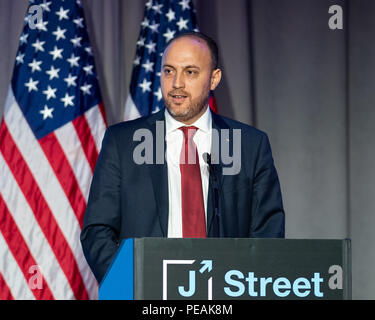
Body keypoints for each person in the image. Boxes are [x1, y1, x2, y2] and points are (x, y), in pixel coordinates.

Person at [80, 32, 285, 283]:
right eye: (168, 71)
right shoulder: (122, 142)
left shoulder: (250, 146)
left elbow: (268, 234)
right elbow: (97, 231)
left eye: (190, 72)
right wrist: (133, 285)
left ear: (214, 79)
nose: (176, 83)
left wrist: (238, 288)